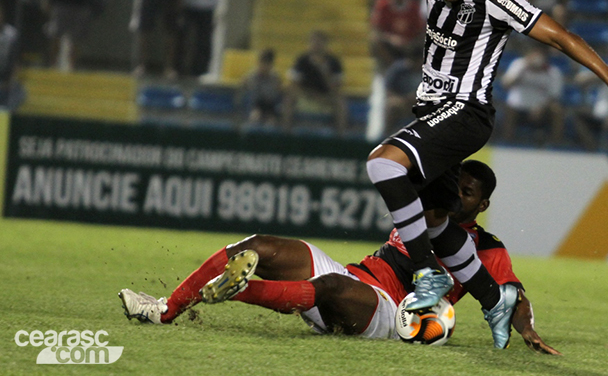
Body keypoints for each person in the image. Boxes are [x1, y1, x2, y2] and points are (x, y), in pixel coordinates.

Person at [280, 0, 608, 348]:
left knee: (383, 164)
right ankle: (494, 299)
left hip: (465, 111)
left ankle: (426, 275)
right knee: (436, 219)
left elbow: (561, 36)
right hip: (433, 114)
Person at [118, 160, 561, 355]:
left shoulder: (485, 248)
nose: (456, 196)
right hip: (354, 276)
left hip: (389, 313)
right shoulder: (425, 210)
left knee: (328, 289)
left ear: (483, 204)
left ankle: (235, 291)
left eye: (467, 193)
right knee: (258, 245)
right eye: (455, 187)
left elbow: (512, 296)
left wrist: (527, 329)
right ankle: (164, 311)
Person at [282, 30, 348, 134]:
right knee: (289, 98)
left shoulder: (334, 62)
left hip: (326, 98)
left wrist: (324, 71)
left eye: (319, 42)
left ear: (325, 44)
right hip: (306, 96)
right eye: (313, 42)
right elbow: (294, 84)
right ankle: (286, 133)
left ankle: (341, 136)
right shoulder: (302, 60)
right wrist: (310, 95)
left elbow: (337, 87)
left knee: (340, 101)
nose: (316, 45)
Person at [500, 46, 565, 144]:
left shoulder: (553, 72)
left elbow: (554, 96)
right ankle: (507, 141)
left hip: (541, 108)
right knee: (509, 109)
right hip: (518, 106)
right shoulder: (518, 65)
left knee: (557, 110)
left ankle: (556, 143)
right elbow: (506, 84)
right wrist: (523, 68)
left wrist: (542, 107)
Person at [243, 48, 284, 126]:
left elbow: (276, 94)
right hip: (256, 105)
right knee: (255, 118)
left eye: (267, 64)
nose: (264, 67)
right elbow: (250, 92)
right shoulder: (252, 76)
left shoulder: (275, 77)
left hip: (270, 105)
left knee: (271, 122)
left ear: (271, 65)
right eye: (262, 63)